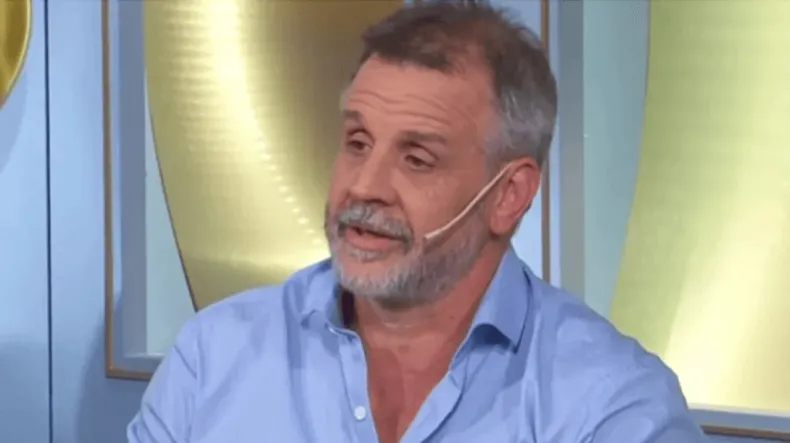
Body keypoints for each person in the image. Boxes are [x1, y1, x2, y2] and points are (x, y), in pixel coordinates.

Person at [128, 2, 708, 442]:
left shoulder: (612, 406)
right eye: (357, 142)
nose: (364, 186)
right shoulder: (213, 358)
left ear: (508, 196)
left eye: (417, 159)